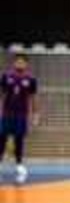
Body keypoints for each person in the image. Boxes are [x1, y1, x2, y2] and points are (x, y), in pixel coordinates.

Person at [0, 53, 39, 184]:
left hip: (21, 115)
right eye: (18, 62)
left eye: (22, 62)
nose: (20, 64)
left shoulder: (31, 79)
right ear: (14, 63)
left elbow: (33, 98)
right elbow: (2, 95)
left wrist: (35, 114)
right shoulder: (6, 76)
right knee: (2, 139)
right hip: (6, 114)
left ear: (26, 64)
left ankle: (19, 166)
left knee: (19, 140)